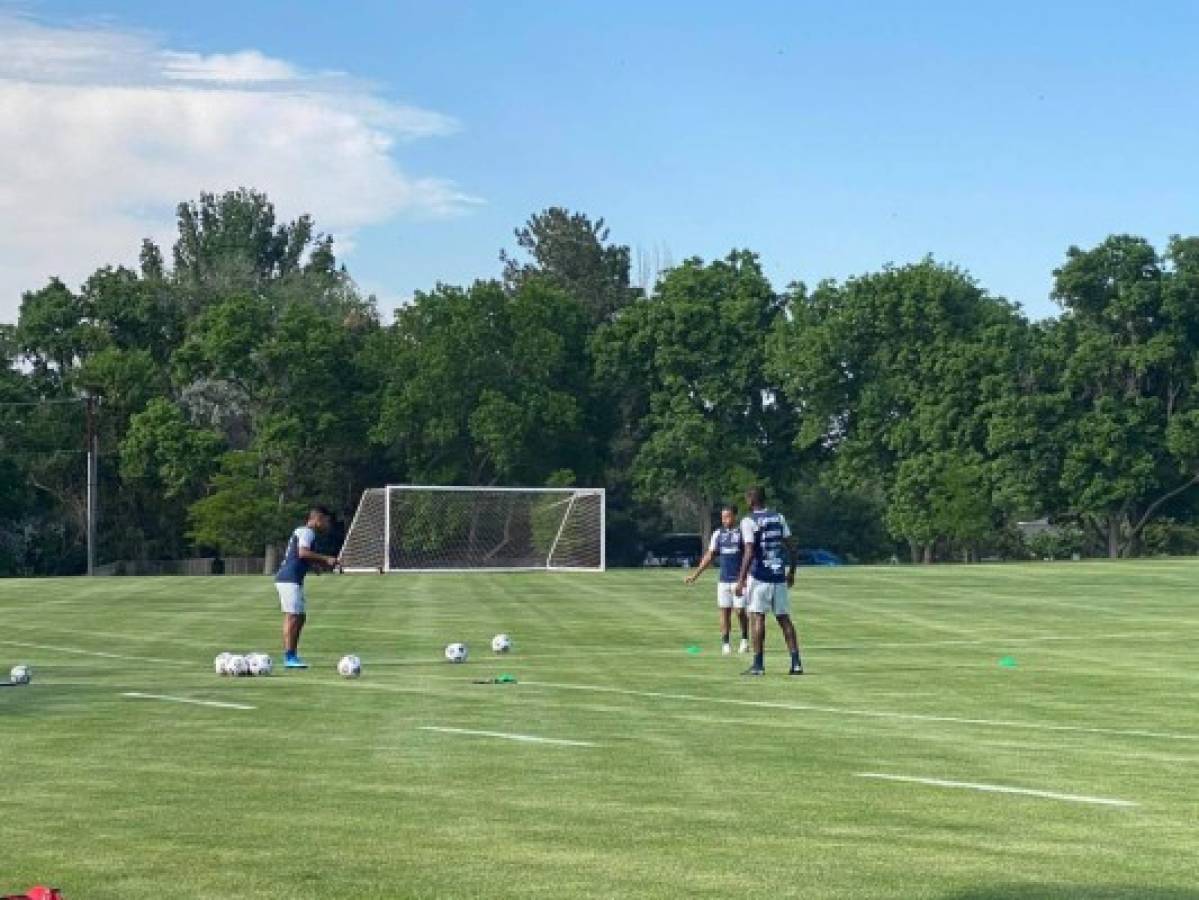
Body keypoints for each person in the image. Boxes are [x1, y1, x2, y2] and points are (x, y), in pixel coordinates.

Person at [734, 486, 803, 676]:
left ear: (750, 500)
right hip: (778, 575)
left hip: (760, 576)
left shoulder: (749, 521)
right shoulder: (778, 517)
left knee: (758, 617)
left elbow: (749, 550)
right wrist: (792, 572)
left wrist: (741, 580)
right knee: (784, 618)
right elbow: (792, 547)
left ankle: (758, 665)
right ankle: (796, 663)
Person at [275, 505, 340, 669]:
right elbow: (302, 553)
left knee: (300, 616)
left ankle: (292, 655)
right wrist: (326, 559)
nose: (328, 525)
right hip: (289, 579)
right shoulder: (307, 532)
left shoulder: (305, 532)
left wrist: (316, 566)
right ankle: (289, 657)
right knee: (293, 616)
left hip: (291, 579)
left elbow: (301, 556)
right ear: (318, 519)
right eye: (326, 521)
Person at [684, 505, 750, 655]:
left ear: (734, 516)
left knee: (740, 611)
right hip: (724, 580)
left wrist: (746, 577)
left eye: (727, 517)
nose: (724, 520)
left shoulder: (742, 533)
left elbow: (750, 555)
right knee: (724, 611)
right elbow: (709, 556)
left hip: (739, 580)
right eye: (722, 517)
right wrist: (695, 575)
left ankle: (745, 639)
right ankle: (725, 643)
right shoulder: (718, 534)